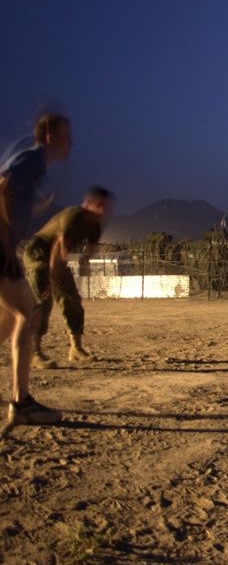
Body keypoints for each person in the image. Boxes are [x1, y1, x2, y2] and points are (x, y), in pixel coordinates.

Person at [0, 114, 72, 425]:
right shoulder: (33, 159)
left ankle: (21, 400)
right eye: (66, 135)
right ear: (50, 136)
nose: (71, 142)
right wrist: (6, 245)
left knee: (8, 317)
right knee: (26, 312)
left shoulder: (33, 164)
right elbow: (2, 187)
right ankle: (21, 402)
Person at [22, 185, 113, 367]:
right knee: (43, 301)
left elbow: (89, 252)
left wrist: (83, 264)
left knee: (72, 300)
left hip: (58, 259)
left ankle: (75, 349)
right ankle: (34, 352)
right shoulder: (73, 217)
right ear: (88, 204)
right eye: (99, 205)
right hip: (38, 253)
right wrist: (51, 279)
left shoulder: (95, 227)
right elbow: (57, 248)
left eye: (106, 206)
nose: (103, 210)